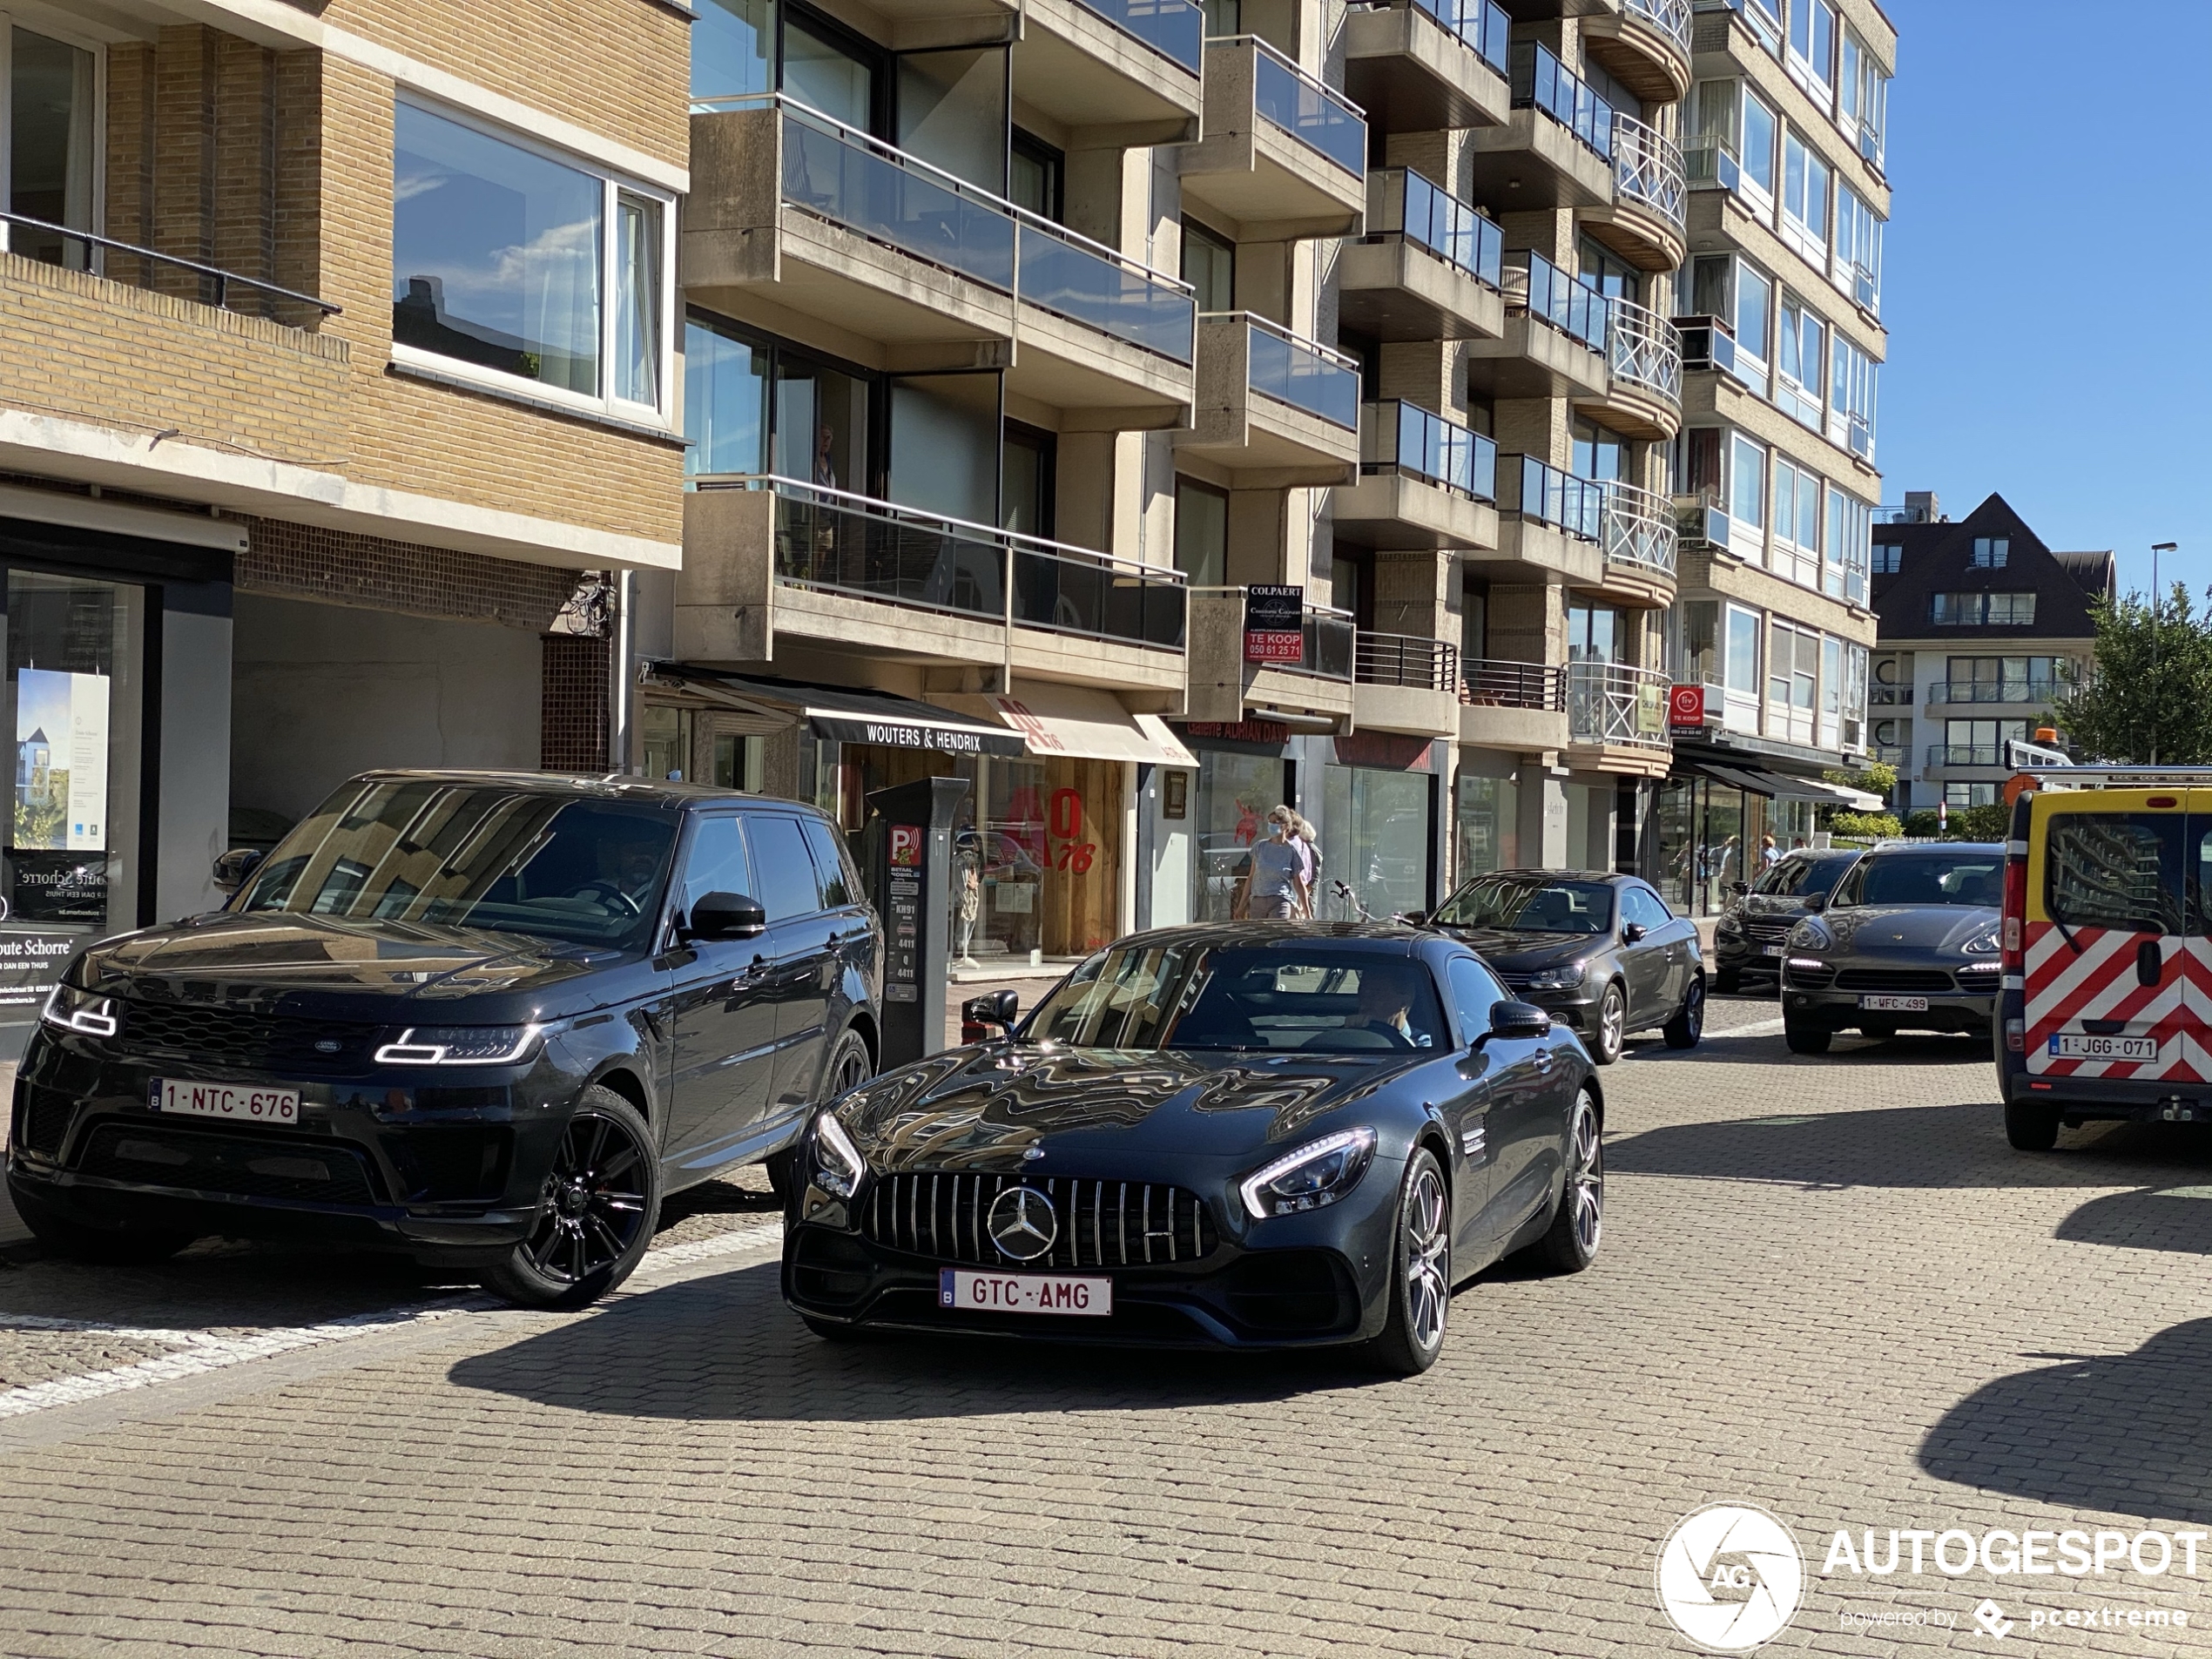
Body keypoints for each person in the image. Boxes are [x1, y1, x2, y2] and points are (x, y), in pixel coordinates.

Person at [1235, 806, 1311, 921]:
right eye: (1270, 822)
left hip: (1280, 900)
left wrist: (1307, 913)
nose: (1271, 825)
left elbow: (1299, 884)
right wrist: (1241, 907)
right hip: (1258, 901)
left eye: (1275, 822)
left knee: (1275, 933)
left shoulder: (1292, 851)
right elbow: (1251, 878)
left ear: (1285, 825)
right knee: (1259, 936)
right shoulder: (1260, 847)